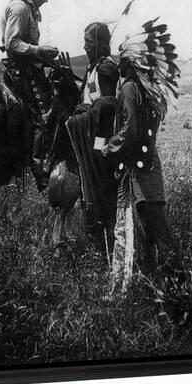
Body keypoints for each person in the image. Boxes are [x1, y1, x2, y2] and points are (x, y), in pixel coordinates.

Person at [102, 25, 180, 293]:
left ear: (130, 64)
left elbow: (130, 130)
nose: (119, 67)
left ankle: (180, 289)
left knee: (156, 231)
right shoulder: (147, 90)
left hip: (139, 173)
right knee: (149, 231)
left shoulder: (129, 89)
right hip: (147, 168)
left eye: (122, 62)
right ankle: (158, 289)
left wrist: (110, 148)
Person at [0, 0, 62, 190]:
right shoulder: (19, 8)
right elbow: (12, 43)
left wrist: (44, 57)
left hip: (29, 68)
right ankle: (40, 170)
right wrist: (40, 51)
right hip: (22, 71)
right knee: (44, 115)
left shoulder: (30, 8)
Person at [66, 22, 119, 258]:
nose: (85, 47)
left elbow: (107, 107)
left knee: (100, 189)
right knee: (90, 189)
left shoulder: (106, 69)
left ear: (101, 44)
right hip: (90, 137)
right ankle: (96, 244)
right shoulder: (94, 68)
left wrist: (84, 112)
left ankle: (106, 246)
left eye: (88, 43)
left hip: (100, 140)